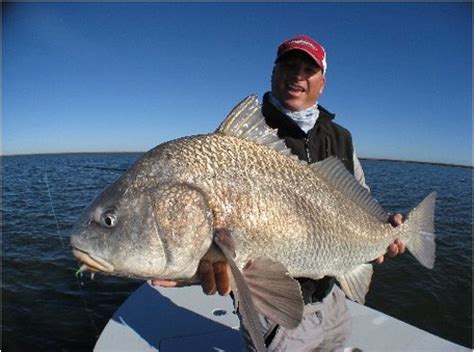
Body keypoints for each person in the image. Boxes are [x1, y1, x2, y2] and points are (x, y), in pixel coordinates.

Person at [153, 34, 405, 351]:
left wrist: (386, 229)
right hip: (272, 308)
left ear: (322, 83)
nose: (297, 75)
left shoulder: (341, 138)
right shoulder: (244, 137)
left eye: (308, 69)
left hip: (333, 297)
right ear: (273, 73)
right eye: (289, 65)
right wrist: (192, 261)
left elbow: (362, 199)